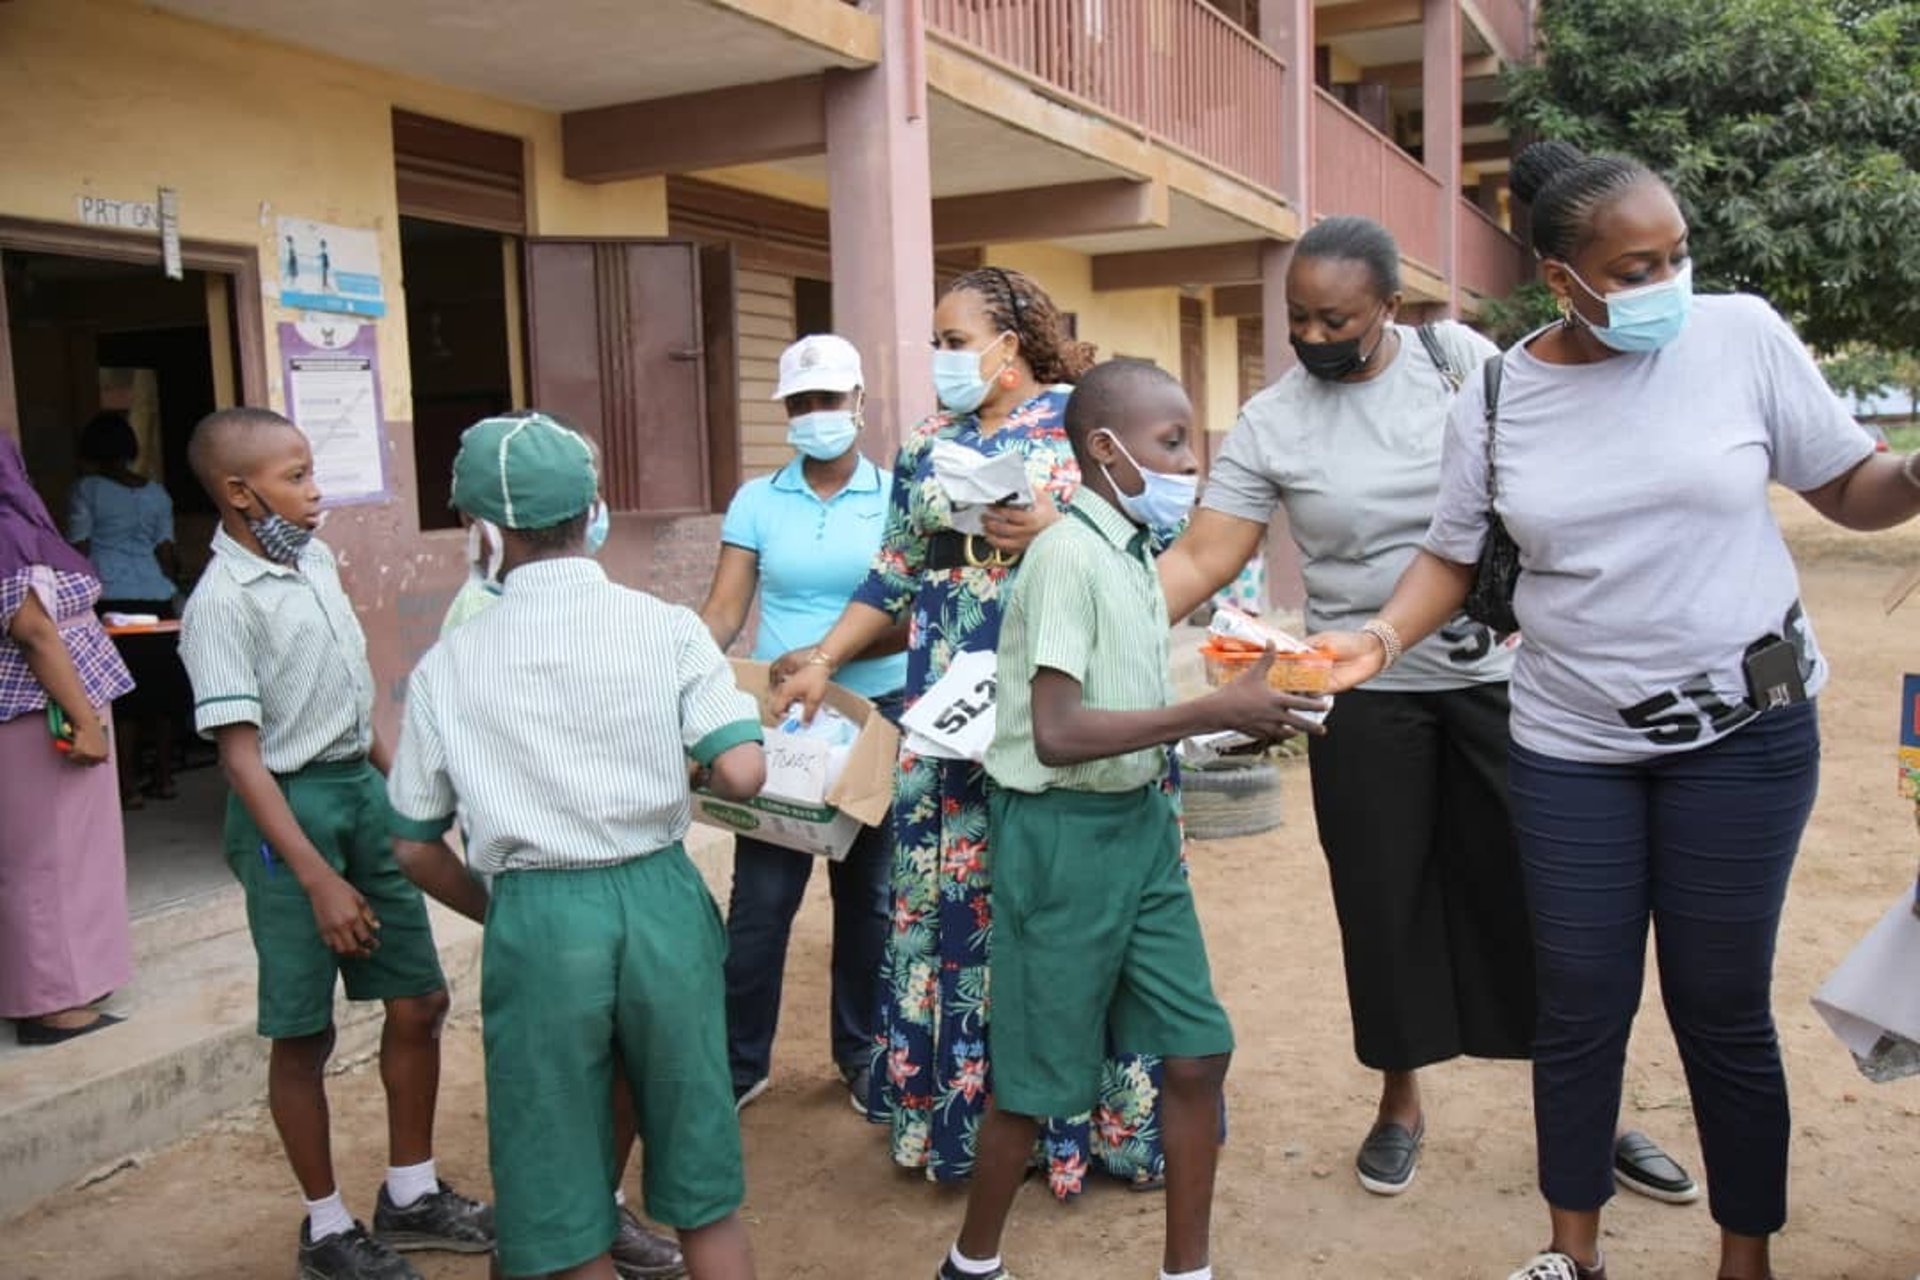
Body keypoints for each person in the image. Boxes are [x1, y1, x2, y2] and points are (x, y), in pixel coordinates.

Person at [1314, 141, 1920, 1280]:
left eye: (1678, 255)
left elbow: (1849, 488)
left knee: (1721, 1001)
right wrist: (1379, 636)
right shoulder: (1497, 391)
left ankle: (1745, 1256)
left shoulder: (1740, 335)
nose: (1668, 284)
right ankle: (1571, 1252)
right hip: (1572, 743)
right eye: (1637, 267)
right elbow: (1453, 552)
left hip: (1746, 733)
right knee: (1581, 1001)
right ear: (1564, 278)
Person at [1155, 216, 1696, 1206]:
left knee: (1544, 900)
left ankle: (1590, 1103)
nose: (1314, 335)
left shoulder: (1461, 364)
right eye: (1298, 317)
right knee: (1382, 896)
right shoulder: (1275, 420)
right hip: (1360, 693)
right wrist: (1095, 615)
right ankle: (1401, 1098)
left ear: (1389, 310)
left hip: (1504, 681)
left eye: (1337, 318)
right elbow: (1201, 556)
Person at [775, 266, 1176, 1196]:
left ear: (1011, 340)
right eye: (938, 342)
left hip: (1053, 692)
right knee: (953, 913)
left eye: (955, 340)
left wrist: (1056, 524)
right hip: (947, 711)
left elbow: (1157, 533)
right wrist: (827, 659)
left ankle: (1083, 1129)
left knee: (1055, 908)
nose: (940, 358)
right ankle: (965, 1127)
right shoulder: (927, 442)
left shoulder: (1084, 419)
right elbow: (893, 573)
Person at [940, 359, 1323, 1280]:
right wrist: (1210, 711)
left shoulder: (1130, 559)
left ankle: (1185, 1270)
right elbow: (1061, 731)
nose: (1190, 462)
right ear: (1107, 451)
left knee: (1198, 1051)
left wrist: (1232, 730)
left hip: (1140, 833)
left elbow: (1131, 716)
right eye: (1172, 443)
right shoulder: (1067, 555)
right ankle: (973, 1262)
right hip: (1062, 841)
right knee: (1034, 1084)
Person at [387, 411, 764, 1280]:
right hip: (664, 903)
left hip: (540, 919)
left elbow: (413, 844)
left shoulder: (450, 665)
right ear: (594, 509)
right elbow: (741, 771)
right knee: (703, 1187)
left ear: (482, 530)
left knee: (559, 1202)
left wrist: (506, 909)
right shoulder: (667, 628)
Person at [178, 407, 492, 1280]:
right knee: (302, 1032)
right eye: (296, 477)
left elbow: (354, 700)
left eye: (313, 472)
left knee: (420, 1000)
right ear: (242, 493)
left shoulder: (313, 559)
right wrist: (316, 878)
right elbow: (242, 761)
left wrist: (409, 798)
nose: (316, 492)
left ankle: (411, 1193)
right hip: (288, 816)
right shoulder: (221, 605)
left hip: (360, 791)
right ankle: (324, 1230)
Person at [434, 436, 684, 1280]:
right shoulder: (479, 627)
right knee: (565, 1090)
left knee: (600, 1072)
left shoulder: (613, 617)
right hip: (555, 882)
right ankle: (571, 1221)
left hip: (577, 894)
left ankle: (595, 1210)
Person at [698, 334, 905, 1113]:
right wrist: (682, 668)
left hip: (874, 721)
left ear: (859, 404)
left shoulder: (896, 499)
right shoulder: (757, 501)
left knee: (870, 900)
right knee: (761, 902)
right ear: (786, 412)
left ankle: (862, 1058)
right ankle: (738, 1061)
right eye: (802, 403)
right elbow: (724, 609)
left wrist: (821, 657)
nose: (817, 415)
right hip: (782, 728)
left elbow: (912, 614)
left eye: (830, 399)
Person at [0, 433, 134, 1045]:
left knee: (69, 853)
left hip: (49, 703)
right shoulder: (5, 529)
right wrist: (82, 717)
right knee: (46, 859)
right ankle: (51, 1003)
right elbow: (32, 630)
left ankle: (65, 983)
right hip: (40, 711)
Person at [68, 409, 184, 808]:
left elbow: (80, 547)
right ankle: (166, 779)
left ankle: (127, 787)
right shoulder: (157, 493)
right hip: (157, 595)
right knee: (163, 692)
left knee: (122, 696)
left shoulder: (87, 490)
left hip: (111, 599)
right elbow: (167, 552)